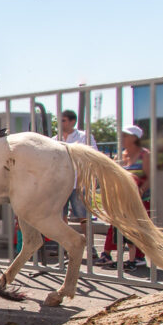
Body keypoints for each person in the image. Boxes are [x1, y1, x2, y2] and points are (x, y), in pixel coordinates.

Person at [95, 125, 151, 270]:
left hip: (140, 199)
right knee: (115, 225)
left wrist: (141, 190)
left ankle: (138, 257)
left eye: (126, 135)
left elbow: (151, 177)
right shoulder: (121, 155)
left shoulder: (145, 155)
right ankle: (106, 254)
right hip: (122, 197)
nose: (123, 138)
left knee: (137, 227)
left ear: (135, 138)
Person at [56, 109, 98, 260]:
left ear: (73, 121)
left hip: (78, 183)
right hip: (60, 185)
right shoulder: (55, 139)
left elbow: (93, 156)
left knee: (83, 217)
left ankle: (91, 248)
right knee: (61, 217)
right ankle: (65, 247)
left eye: (63, 120)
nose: (60, 124)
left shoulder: (84, 137)